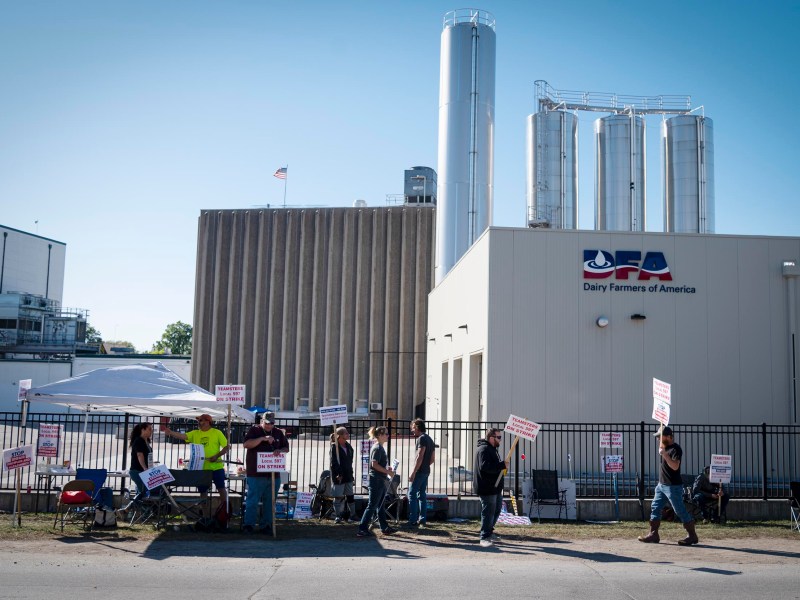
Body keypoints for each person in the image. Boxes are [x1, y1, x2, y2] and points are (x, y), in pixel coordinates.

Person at [638, 426, 699, 545]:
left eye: (660, 437)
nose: (658, 440)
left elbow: (675, 466)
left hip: (673, 486)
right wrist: (663, 452)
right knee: (655, 507)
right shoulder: (664, 448)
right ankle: (653, 534)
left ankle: (692, 535)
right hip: (662, 485)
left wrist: (665, 455)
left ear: (668, 437)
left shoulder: (676, 449)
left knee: (679, 510)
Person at [163, 414, 229, 507]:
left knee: (221, 489)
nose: (199, 422)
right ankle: (204, 516)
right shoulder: (195, 433)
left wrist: (217, 456)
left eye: (201, 420)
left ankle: (225, 511)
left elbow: (226, 447)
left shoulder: (217, 432)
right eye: (198, 420)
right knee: (203, 492)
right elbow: (183, 436)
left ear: (207, 422)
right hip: (201, 469)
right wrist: (171, 432)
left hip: (216, 468)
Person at [242, 413, 290, 533]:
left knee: (270, 501)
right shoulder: (254, 430)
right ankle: (249, 525)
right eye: (267, 423)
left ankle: (266, 525)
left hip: (273, 474)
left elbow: (286, 448)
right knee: (252, 500)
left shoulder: (278, 432)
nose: (269, 425)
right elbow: (246, 444)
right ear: (262, 421)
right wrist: (263, 439)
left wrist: (280, 450)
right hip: (256, 474)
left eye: (271, 423)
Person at [357, 426, 397, 537]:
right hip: (376, 480)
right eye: (386, 434)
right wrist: (387, 472)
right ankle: (362, 528)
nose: (388, 436)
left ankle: (384, 527)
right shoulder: (377, 448)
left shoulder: (379, 447)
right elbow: (374, 465)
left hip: (380, 479)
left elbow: (378, 464)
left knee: (380, 505)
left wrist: (386, 468)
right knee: (372, 505)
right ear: (379, 435)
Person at [474, 427, 507, 547]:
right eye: (498, 437)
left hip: (495, 487)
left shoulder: (492, 449)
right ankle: (484, 536)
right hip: (487, 487)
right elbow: (485, 467)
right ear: (491, 438)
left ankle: (489, 531)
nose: (500, 440)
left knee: (496, 510)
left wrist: (501, 466)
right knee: (488, 512)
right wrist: (501, 465)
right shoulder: (484, 449)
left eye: (500, 437)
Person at [405, 418, 435, 528]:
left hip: (419, 471)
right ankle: (422, 519)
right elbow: (432, 458)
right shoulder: (430, 439)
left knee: (412, 494)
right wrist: (425, 466)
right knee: (422, 495)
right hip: (426, 471)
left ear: (417, 427)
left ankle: (413, 520)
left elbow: (420, 456)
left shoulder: (421, 439)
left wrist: (413, 472)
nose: (412, 431)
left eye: (412, 428)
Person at [330, 426, 356, 523]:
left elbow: (350, 461)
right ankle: (338, 516)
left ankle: (353, 515)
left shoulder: (349, 447)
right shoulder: (334, 447)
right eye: (345, 433)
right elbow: (334, 463)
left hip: (348, 475)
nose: (348, 434)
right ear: (340, 436)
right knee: (338, 496)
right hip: (339, 476)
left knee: (350, 495)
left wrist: (350, 473)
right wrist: (339, 473)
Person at [126, 421, 153, 504]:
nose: (151, 431)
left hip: (143, 471)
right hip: (137, 471)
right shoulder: (139, 441)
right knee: (143, 492)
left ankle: (139, 511)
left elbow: (146, 456)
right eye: (149, 429)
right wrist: (145, 467)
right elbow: (139, 455)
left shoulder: (146, 442)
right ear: (143, 430)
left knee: (142, 492)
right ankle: (128, 509)